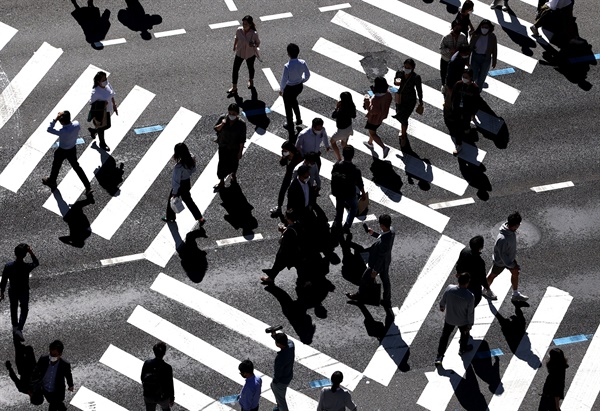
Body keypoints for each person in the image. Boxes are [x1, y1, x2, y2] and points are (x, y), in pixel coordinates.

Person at [346, 214, 395, 308]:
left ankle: (359, 295)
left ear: (383, 226)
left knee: (364, 278)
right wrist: (373, 233)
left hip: (376, 264)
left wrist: (375, 271)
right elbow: (382, 236)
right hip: (386, 262)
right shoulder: (392, 231)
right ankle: (387, 300)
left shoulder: (384, 243)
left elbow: (380, 257)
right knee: (386, 281)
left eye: (380, 224)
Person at [42, 111, 93, 196]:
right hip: (72, 149)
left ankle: (52, 181)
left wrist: (55, 120)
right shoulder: (76, 124)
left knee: (56, 166)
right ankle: (88, 187)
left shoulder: (62, 131)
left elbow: (49, 129)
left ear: (62, 121)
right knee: (77, 168)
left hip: (62, 150)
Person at [485, 212, 529, 302]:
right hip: (501, 262)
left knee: (515, 273)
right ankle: (485, 289)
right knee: (493, 275)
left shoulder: (510, 231)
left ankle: (515, 294)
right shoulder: (503, 238)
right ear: (515, 225)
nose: (519, 226)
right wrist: (511, 265)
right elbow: (502, 255)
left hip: (509, 259)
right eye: (518, 224)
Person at [1, 244, 39, 341]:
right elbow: (36, 262)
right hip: (23, 291)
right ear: (25, 255)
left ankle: (14, 327)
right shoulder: (26, 267)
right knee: (24, 309)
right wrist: (31, 252)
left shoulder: (8, 266)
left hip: (13, 290)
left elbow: (4, 280)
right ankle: (19, 329)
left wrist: (2, 292)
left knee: (13, 308)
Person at [435, 273, 475, 365]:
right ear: (467, 282)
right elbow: (470, 313)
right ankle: (462, 349)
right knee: (464, 335)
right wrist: (470, 324)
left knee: (445, 336)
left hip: (450, 318)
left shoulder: (450, 288)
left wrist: (442, 306)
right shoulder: (470, 296)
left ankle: (439, 356)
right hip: (463, 321)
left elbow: (443, 299)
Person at [162, 143, 205, 226]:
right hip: (187, 183)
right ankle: (200, 218)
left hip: (180, 185)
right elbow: (193, 170)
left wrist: (175, 192)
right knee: (189, 201)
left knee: (171, 200)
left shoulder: (178, 167)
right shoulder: (191, 159)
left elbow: (176, 181)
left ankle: (170, 217)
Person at [30, 340, 74, 411]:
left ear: (60, 354)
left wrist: (70, 385)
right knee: (55, 403)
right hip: (45, 389)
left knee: (54, 404)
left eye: (54, 355)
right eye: (51, 354)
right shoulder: (43, 359)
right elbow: (36, 371)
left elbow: (68, 375)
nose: (52, 357)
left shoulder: (64, 364)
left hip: (57, 391)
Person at [331, 146, 366, 233]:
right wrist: (363, 193)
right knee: (354, 207)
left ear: (343, 154)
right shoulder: (355, 170)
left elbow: (333, 176)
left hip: (338, 192)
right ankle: (347, 226)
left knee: (339, 210)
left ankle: (337, 224)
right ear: (353, 155)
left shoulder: (337, 165)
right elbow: (359, 183)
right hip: (350, 193)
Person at [261, 209, 303, 284]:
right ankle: (306, 281)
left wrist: (283, 232)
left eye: (286, 217)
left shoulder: (290, 231)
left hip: (287, 252)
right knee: (299, 266)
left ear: (289, 219)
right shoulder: (299, 224)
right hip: (298, 251)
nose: (285, 218)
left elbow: (282, 242)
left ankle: (270, 278)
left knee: (278, 265)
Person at [279, 43, 311, 137]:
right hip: (298, 86)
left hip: (289, 88)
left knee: (288, 107)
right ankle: (298, 119)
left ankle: (290, 125)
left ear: (288, 53)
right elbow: (307, 74)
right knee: (294, 101)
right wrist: (302, 80)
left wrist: (281, 89)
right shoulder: (302, 62)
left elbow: (284, 79)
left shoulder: (287, 66)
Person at [214, 103, 247, 192]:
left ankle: (233, 174)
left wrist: (240, 152)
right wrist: (222, 124)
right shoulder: (223, 118)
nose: (231, 115)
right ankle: (221, 181)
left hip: (234, 148)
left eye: (234, 114)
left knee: (234, 163)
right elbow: (216, 129)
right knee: (222, 164)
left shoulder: (241, 124)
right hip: (223, 146)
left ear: (237, 114)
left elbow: (242, 139)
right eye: (230, 113)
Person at [393, 59, 423, 149]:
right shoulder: (399, 73)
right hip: (400, 98)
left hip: (410, 100)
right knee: (400, 115)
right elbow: (395, 83)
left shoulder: (416, 77)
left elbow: (419, 89)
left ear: (413, 68)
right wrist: (396, 82)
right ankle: (403, 129)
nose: (406, 69)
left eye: (408, 68)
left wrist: (421, 100)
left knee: (404, 117)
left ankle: (403, 136)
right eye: (405, 67)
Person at [449, 69, 480, 155]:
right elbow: (453, 96)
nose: (464, 78)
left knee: (465, 125)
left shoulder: (474, 88)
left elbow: (476, 102)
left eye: (466, 77)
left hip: (467, 111)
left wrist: (473, 113)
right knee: (458, 127)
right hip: (457, 110)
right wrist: (452, 107)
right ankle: (459, 144)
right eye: (463, 76)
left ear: (470, 77)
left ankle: (467, 130)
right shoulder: (458, 84)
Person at [455, 235, 492, 307]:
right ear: (481, 247)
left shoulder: (464, 251)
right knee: (475, 300)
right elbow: (482, 278)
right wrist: (487, 288)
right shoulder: (480, 262)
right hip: (474, 286)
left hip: (463, 281)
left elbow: (459, 264)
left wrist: (458, 273)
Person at [270, 142, 303, 218]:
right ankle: (279, 207)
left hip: (295, 179)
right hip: (288, 176)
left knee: (292, 195)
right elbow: (282, 163)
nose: (283, 152)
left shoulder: (298, 157)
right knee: (282, 191)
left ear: (290, 150)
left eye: (285, 150)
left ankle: (292, 210)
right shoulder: (286, 156)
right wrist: (284, 157)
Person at [229, 15, 260, 94]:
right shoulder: (239, 30)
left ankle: (251, 80)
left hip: (250, 54)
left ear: (250, 25)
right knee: (235, 69)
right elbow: (236, 38)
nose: (244, 26)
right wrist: (234, 46)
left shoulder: (254, 34)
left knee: (250, 68)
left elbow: (258, 43)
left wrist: (253, 44)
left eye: (246, 24)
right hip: (240, 52)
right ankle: (234, 87)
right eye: (243, 24)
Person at [362, 76, 392, 158]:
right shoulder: (388, 94)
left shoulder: (376, 99)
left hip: (373, 119)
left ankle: (384, 147)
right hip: (381, 117)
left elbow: (372, 111)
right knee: (373, 131)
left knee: (373, 133)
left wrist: (367, 101)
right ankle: (370, 143)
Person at [140, 341, 175, 411]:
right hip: (162, 396)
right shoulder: (167, 367)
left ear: (154, 351)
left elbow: (142, 378)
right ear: (164, 353)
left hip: (149, 394)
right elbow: (170, 384)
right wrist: (171, 398)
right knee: (166, 408)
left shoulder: (147, 363)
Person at [88, 70, 118, 151]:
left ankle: (94, 130)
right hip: (100, 113)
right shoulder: (95, 92)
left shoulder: (107, 85)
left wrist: (114, 105)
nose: (105, 81)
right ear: (98, 81)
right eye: (103, 80)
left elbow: (111, 95)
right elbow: (92, 103)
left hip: (107, 110)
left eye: (106, 79)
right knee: (103, 127)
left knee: (107, 125)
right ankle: (102, 143)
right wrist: (102, 103)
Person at [439, 21, 468, 89]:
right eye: (456, 27)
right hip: (446, 59)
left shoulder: (463, 36)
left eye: (459, 27)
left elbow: (466, 47)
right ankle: (444, 86)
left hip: (458, 60)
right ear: (453, 27)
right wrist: (449, 50)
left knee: (457, 74)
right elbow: (441, 49)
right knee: (444, 73)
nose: (458, 28)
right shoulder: (446, 37)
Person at [469, 20, 497, 89]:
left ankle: (478, 90)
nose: (484, 29)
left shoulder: (492, 37)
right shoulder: (475, 35)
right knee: (473, 75)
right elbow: (470, 47)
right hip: (475, 57)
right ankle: (470, 89)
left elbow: (494, 49)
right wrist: (467, 59)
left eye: (486, 27)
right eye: (483, 27)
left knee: (482, 77)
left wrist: (494, 60)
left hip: (486, 59)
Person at [270, 331, 295, 411]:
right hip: (288, 375)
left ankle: (281, 408)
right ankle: (279, 407)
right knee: (280, 394)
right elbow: (287, 341)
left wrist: (275, 381)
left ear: (279, 344)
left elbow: (278, 373)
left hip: (281, 381)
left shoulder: (280, 357)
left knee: (281, 399)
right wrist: (275, 336)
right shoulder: (291, 345)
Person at [330, 92, 357, 161]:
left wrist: (337, 107)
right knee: (343, 143)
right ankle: (347, 158)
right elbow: (354, 115)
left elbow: (333, 115)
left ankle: (339, 158)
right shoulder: (352, 105)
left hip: (342, 130)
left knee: (332, 141)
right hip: (349, 127)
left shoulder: (341, 110)